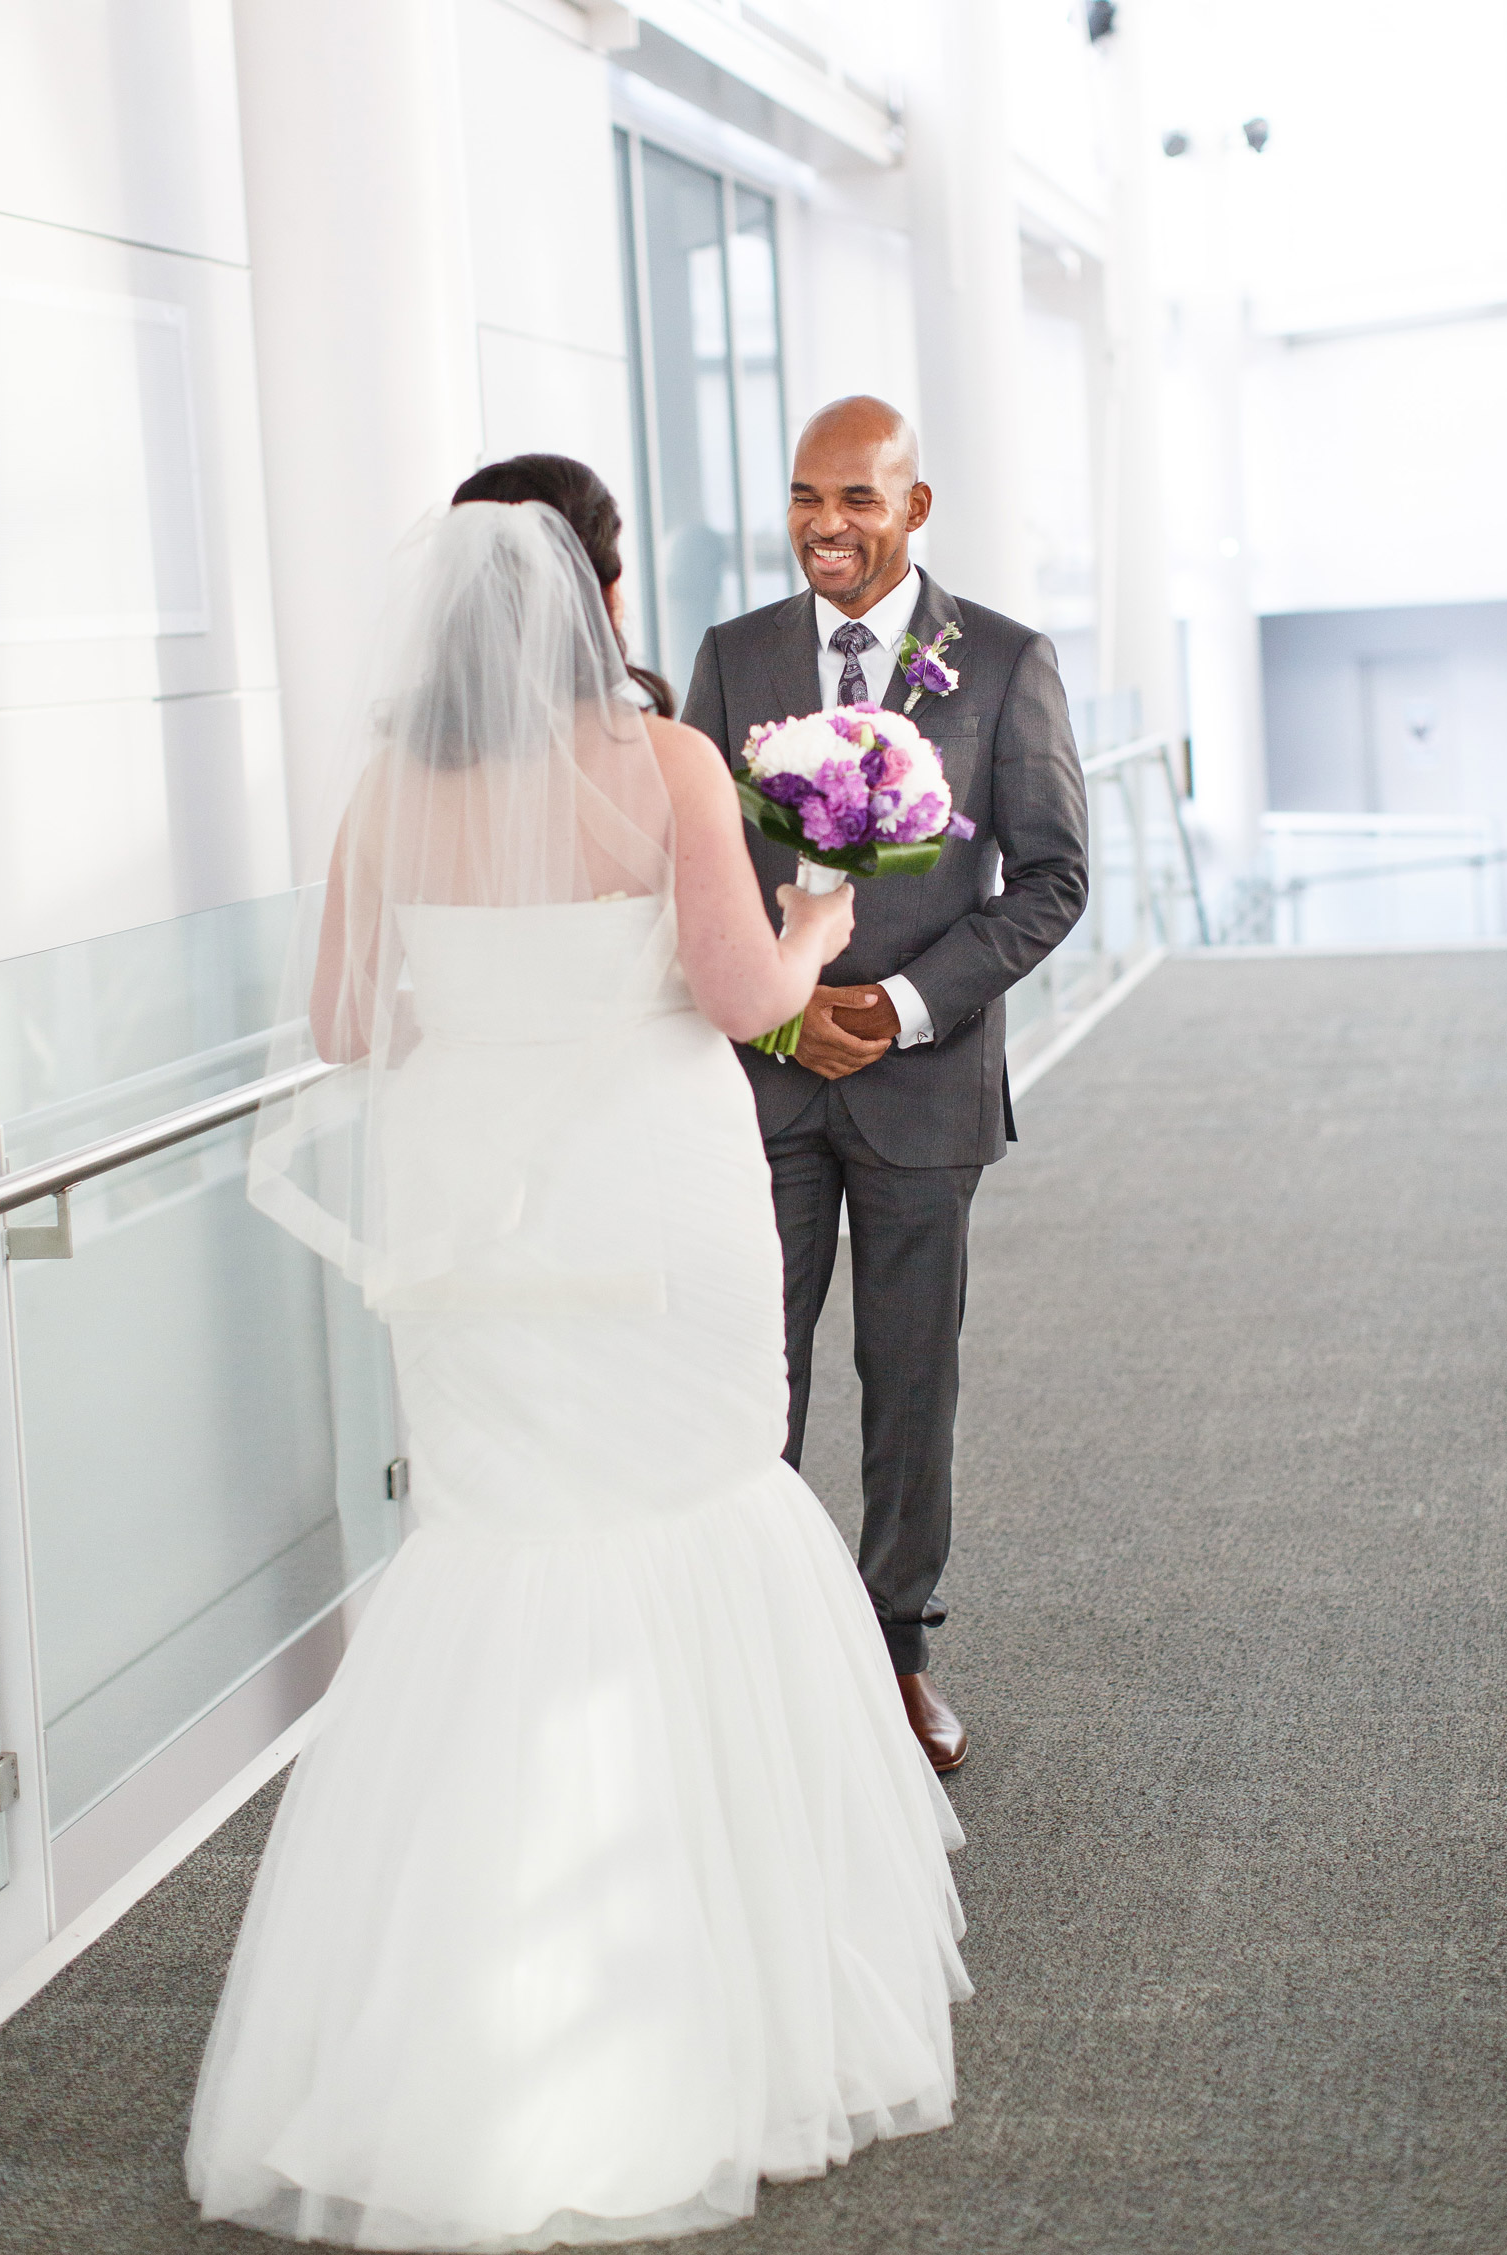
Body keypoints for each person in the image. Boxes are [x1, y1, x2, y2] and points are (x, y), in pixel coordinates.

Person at [200, 485, 966, 2246]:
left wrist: (485, 1014)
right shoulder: (664, 761)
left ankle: (462, 2024)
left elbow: (342, 1026)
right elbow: (733, 995)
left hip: (478, 1228)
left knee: (501, 1544)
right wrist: (826, 929)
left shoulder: (391, 793)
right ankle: (716, 1987)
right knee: (694, 1505)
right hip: (651, 1201)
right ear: (595, 591)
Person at [679, 395, 1087, 1777]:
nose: (825, 525)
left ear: (915, 509)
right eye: (805, 496)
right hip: (770, 1081)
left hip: (926, 1088)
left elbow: (1053, 881)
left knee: (910, 1383)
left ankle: (897, 1649)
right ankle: (761, 1653)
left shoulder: (1008, 664)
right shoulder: (732, 660)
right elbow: (703, 875)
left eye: (857, 499)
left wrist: (904, 1007)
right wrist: (791, 1023)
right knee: (756, 1375)